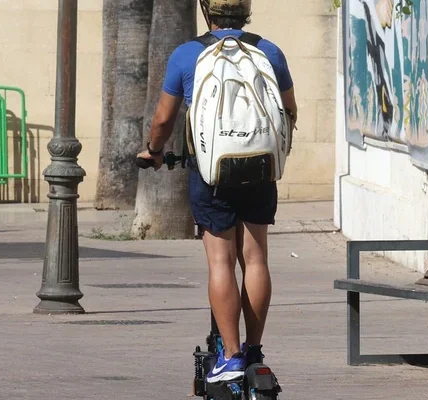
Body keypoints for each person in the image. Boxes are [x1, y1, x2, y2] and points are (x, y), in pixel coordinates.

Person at [135, 0, 298, 384]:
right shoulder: (269, 51)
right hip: (260, 168)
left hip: (212, 174)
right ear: (246, 12)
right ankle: (256, 351)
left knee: (221, 263)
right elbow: (290, 110)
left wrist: (155, 152)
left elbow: (162, 120)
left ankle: (232, 357)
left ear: (208, 12)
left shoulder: (188, 54)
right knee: (255, 260)